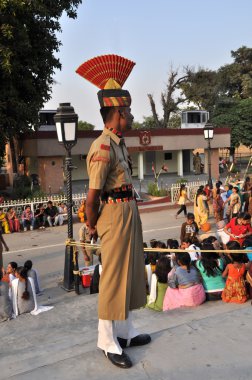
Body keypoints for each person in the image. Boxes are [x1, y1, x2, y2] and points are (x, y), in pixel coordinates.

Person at [77, 54, 150, 369]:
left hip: (128, 213)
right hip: (113, 218)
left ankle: (127, 330)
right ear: (117, 112)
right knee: (112, 278)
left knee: (132, 272)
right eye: (128, 111)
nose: (132, 116)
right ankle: (107, 339)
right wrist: (92, 227)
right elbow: (92, 197)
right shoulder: (103, 146)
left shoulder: (120, 142)